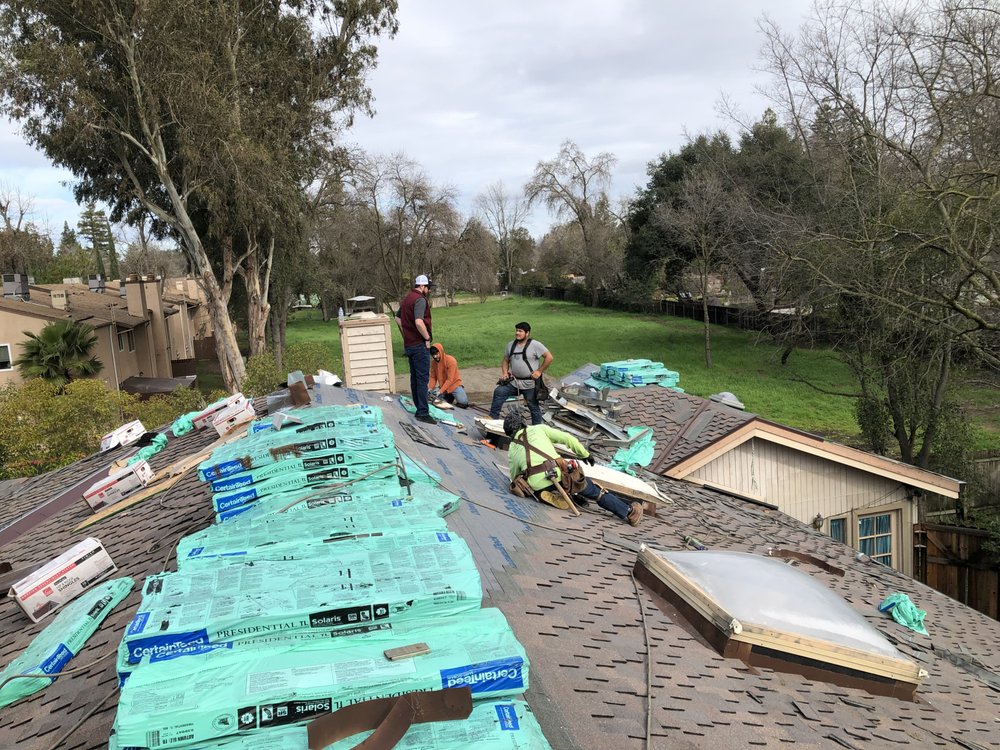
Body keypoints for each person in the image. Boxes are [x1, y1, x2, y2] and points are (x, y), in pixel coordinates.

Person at [503, 412, 643, 526]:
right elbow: (568, 439)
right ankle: (629, 512)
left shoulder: (512, 449)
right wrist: (585, 454)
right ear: (522, 423)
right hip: (559, 476)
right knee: (594, 490)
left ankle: (554, 494)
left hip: (536, 485)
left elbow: (514, 476)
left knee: (553, 484)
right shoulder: (538, 429)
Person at [489, 321, 552, 425]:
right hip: (514, 382)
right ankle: (492, 419)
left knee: (533, 407)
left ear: (527, 333)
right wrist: (505, 373)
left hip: (530, 383)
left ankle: (537, 429)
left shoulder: (535, 345)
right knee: (499, 392)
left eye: (520, 331)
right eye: (516, 330)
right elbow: (505, 360)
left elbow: (549, 357)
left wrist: (539, 371)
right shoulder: (510, 345)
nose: (517, 333)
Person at [395, 274, 435, 424]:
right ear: (423, 287)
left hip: (409, 345)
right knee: (422, 379)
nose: (429, 291)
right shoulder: (420, 299)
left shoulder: (407, 298)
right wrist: (426, 338)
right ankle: (423, 412)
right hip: (419, 345)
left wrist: (408, 330)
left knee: (414, 378)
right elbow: (419, 322)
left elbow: (397, 318)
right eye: (428, 288)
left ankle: (419, 408)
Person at [428, 342, 469, 408]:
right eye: (433, 355)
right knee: (432, 398)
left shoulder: (451, 361)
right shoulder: (433, 363)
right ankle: (449, 397)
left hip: (454, 385)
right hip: (442, 386)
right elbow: (433, 377)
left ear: (440, 352)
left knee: (463, 403)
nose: (435, 356)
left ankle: (452, 395)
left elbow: (450, 380)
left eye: (436, 354)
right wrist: (430, 388)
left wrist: (440, 391)